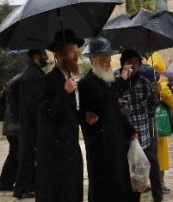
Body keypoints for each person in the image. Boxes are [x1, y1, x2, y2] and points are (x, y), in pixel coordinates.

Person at [78, 37, 138, 202]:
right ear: (93, 60)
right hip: (101, 146)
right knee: (103, 186)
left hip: (115, 141)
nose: (108, 62)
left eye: (109, 58)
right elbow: (103, 103)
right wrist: (122, 81)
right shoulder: (86, 83)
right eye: (103, 59)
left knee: (118, 184)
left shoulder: (107, 83)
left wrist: (129, 129)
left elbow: (116, 111)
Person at [36, 30, 84, 202]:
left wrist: (84, 116)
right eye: (74, 53)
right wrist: (65, 92)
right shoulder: (48, 80)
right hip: (55, 153)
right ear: (62, 56)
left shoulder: (71, 79)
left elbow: (70, 112)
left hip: (70, 147)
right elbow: (46, 112)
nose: (77, 57)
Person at [119, 49, 162, 201]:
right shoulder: (116, 82)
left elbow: (151, 109)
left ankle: (157, 196)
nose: (133, 65)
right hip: (124, 138)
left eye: (136, 62)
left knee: (150, 171)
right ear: (123, 64)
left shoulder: (144, 82)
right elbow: (119, 110)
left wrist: (156, 96)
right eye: (129, 62)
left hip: (144, 135)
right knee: (128, 176)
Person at [13, 49, 48, 199]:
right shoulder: (31, 75)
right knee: (26, 157)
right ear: (36, 56)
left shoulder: (34, 72)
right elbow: (34, 102)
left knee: (29, 156)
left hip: (32, 124)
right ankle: (21, 189)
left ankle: (28, 186)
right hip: (31, 125)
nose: (46, 57)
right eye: (44, 54)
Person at [146, 52, 173, 195]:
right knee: (159, 153)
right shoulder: (159, 82)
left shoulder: (135, 78)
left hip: (139, 122)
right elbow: (171, 102)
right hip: (157, 122)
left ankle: (143, 181)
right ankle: (159, 183)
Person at [0, 74, 21, 192]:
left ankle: (5, 182)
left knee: (15, 155)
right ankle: (3, 183)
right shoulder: (21, 81)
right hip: (14, 126)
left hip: (11, 125)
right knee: (16, 155)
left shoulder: (14, 80)